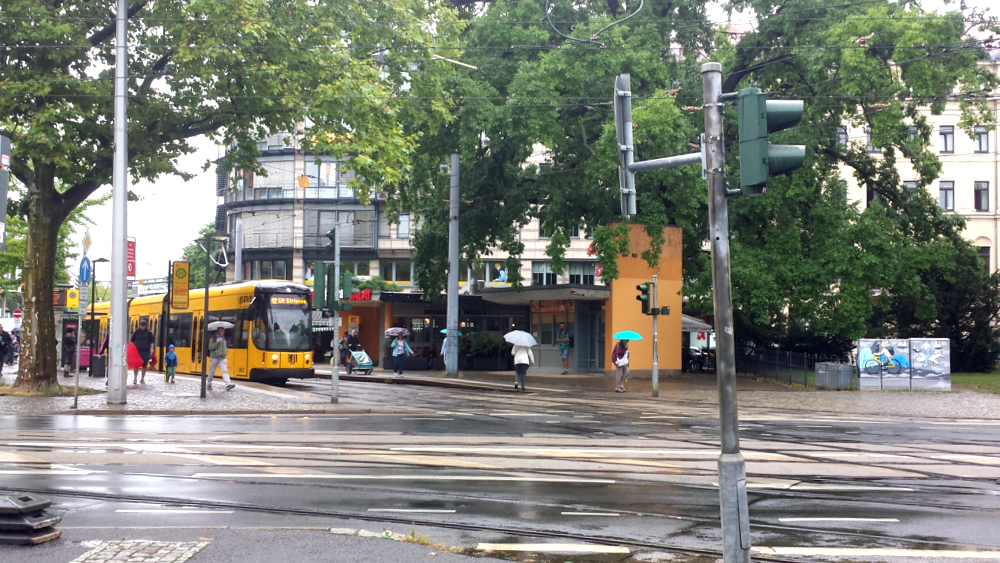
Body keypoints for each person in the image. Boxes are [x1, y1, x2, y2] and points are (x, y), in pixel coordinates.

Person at [207, 326, 235, 391]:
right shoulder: (213, 338)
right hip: (215, 357)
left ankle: (228, 384)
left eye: (223, 331)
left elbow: (224, 346)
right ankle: (209, 383)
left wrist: (226, 351)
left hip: (222, 358)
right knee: (212, 371)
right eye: (222, 331)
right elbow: (210, 348)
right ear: (218, 331)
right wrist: (216, 343)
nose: (223, 332)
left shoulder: (223, 338)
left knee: (224, 371)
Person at [130, 320, 155, 384]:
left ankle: (142, 378)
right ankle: (135, 378)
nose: (142, 327)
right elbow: (132, 340)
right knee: (136, 365)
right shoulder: (137, 332)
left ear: (145, 326)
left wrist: (151, 349)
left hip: (146, 351)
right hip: (137, 351)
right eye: (141, 326)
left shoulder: (149, 333)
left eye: (143, 326)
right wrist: (132, 348)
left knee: (144, 365)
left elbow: (152, 341)